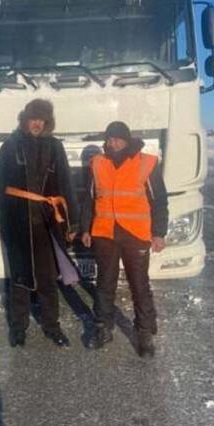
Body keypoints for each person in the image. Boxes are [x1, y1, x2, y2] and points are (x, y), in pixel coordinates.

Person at [0, 99, 80, 348]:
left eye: (42, 119)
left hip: (47, 223)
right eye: (33, 118)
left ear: (47, 122)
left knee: (48, 278)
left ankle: (52, 326)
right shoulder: (10, 145)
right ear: (25, 120)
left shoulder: (55, 147)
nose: (37, 123)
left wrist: (73, 221)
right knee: (20, 278)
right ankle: (18, 328)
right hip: (16, 221)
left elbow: (66, 185)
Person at [81, 121, 168, 357]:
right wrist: (85, 229)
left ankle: (144, 333)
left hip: (136, 234)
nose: (113, 142)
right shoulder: (97, 163)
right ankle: (103, 328)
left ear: (127, 140)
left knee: (139, 285)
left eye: (118, 138)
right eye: (109, 138)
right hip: (104, 233)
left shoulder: (146, 163)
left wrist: (159, 232)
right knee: (104, 284)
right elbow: (88, 199)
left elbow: (159, 200)